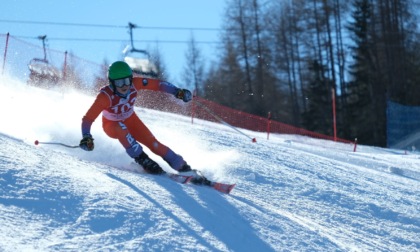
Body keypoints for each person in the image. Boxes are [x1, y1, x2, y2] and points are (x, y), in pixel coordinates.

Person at [79, 61, 193, 175]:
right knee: (120, 128)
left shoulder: (135, 83)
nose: (124, 86)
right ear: (112, 83)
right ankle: (143, 160)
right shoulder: (105, 96)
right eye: (119, 83)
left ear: (131, 79)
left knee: (154, 144)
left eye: (126, 81)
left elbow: (158, 85)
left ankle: (182, 166)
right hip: (112, 125)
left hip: (131, 120)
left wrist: (177, 91)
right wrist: (86, 137)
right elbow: (88, 119)